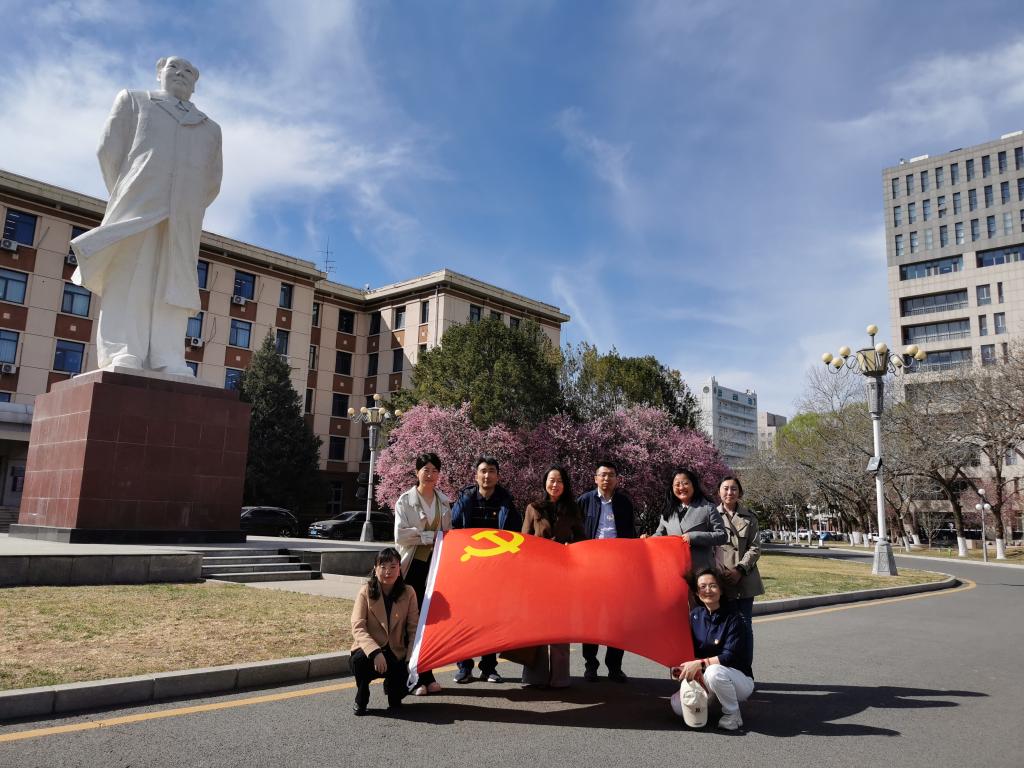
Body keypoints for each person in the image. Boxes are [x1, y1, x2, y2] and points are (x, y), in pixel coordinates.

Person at [71, 56, 222, 375]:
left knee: (175, 280)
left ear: (195, 85)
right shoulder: (134, 101)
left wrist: (187, 203)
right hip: (137, 205)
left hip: (183, 216)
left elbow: (212, 181)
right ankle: (122, 349)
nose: (180, 74)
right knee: (129, 276)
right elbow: (108, 151)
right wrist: (129, 191)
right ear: (159, 73)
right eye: (173, 68)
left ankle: (169, 355)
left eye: (189, 72)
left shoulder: (210, 128)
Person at [451, 455, 522, 684]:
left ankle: (489, 667)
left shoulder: (506, 502)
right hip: (468, 568)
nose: (487, 475)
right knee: (465, 618)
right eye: (483, 471)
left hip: (495, 570)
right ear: (476, 475)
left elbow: (516, 535)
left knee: (491, 620)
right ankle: (464, 667)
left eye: (491, 471)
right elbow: (453, 527)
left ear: (498, 476)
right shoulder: (465, 499)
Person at [521, 465, 585, 687]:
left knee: (560, 626)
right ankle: (535, 677)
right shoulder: (533, 508)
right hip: (538, 574)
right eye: (551, 480)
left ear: (565, 485)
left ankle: (560, 677)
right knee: (537, 625)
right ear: (545, 482)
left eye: (559, 481)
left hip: (563, 574)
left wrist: (571, 546)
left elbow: (582, 539)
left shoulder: (573, 509)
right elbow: (524, 540)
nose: (555, 484)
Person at [393, 452, 451, 696]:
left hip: (434, 568)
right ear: (416, 472)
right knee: (412, 622)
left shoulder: (443, 501)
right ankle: (412, 676)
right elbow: (401, 535)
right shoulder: (405, 501)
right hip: (412, 568)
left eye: (435, 470)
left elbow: (447, 535)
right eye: (425, 469)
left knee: (430, 622)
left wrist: (433, 537)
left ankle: (428, 673)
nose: (430, 475)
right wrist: (428, 536)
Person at [670, 568, 754, 731]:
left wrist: (700, 664)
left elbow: (729, 656)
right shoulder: (695, 615)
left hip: (738, 679)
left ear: (721, 590)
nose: (707, 590)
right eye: (702, 586)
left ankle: (733, 713)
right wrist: (681, 668)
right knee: (678, 707)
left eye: (713, 585)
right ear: (696, 592)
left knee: (714, 672)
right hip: (706, 675)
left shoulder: (734, 618)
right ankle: (714, 700)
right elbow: (689, 650)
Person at [577, 459, 635, 683]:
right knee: (591, 619)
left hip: (617, 569)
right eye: (602, 475)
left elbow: (630, 535)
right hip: (590, 569)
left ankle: (614, 666)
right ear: (595, 478)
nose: (606, 479)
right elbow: (576, 532)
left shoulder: (624, 503)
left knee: (617, 620)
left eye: (611, 475)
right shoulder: (584, 501)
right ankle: (590, 665)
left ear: (617, 479)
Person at [350, 547, 419, 716]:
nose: (388, 571)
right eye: (383, 567)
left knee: (398, 699)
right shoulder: (366, 591)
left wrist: (411, 659)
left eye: (393, 567)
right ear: (375, 569)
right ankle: (362, 695)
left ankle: (393, 688)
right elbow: (358, 626)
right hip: (370, 652)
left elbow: (414, 629)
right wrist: (375, 652)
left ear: (399, 569)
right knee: (359, 661)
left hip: (396, 652)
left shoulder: (409, 592)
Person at [715, 475, 764, 647]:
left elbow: (755, 548)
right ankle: (724, 662)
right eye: (726, 488)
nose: (730, 492)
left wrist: (740, 570)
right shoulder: (711, 516)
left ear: (740, 493)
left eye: (734, 489)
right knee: (721, 627)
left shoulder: (750, 517)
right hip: (720, 580)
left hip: (744, 579)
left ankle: (745, 663)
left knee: (744, 626)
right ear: (719, 492)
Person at [649, 468, 726, 575]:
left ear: (693, 485)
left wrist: (694, 537)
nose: (681, 488)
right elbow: (660, 534)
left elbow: (722, 536)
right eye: (677, 485)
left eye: (685, 483)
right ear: (672, 488)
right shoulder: (667, 511)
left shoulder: (708, 508)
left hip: (702, 571)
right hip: (675, 570)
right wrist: (648, 539)